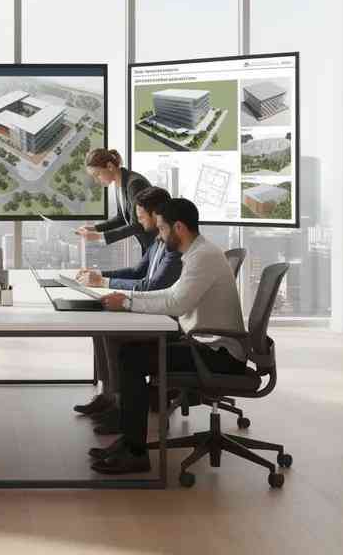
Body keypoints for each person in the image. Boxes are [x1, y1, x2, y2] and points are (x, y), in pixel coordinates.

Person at [87, 197, 248, 475]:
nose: (159, 236)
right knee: (131, 351)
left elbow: (176, 304)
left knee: (131, 358)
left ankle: (135, 452)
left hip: (217, 355)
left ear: (179, 228)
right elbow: (172, 294)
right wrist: (128, 297)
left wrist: (127, 302)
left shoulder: (204, 257)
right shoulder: (197, 253)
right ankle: (129, 442)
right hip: (206, 346)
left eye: (162, 229)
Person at [71, 186, 182, 433]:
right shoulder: (157, 240)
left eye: (142, 216)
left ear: (156, 215)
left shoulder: (174, 245)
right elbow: (136, 272)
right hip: (151, 309)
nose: (139, 222)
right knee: (99, 329)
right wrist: (99, 275)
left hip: (164, 318)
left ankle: (121, 409)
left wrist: (105, 283)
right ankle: (108, 395)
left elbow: (154, 285)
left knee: (112, 333)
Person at [70, 148, 155, 412]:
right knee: (101, 325)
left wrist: (102, 239)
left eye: (97, 174)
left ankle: (114, 399)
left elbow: (140, 224)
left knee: (107, 323)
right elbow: (123, 218)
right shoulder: (121, 183)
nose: (97, 180)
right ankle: (108, 395)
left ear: (110, 165)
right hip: (148, 251)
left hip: (153, 249)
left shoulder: (135, 183)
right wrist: (95, 228)